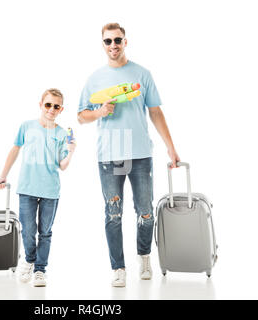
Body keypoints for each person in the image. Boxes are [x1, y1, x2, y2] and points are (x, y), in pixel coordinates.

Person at [78, 23, 180, 287]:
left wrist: (170, 146)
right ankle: (118, 268)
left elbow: (155, 112)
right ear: (102, 44)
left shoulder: (142, 74)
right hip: (110, 156)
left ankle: (144, 257)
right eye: (108, 41)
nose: (113, 45)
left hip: (140, 153)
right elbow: (81, 116)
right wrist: (99, 112)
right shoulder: (94, 79)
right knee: (113, 213)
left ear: (126, 41)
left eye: (118, 40)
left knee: (145, 211)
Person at [0, 88, 76, 287]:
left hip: (50, 190)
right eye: (48, 104)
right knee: (28, 230)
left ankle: (40, 270)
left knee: (45, 232)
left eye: (56, 106)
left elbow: (62, 165)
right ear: (41, 105)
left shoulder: (61, 133)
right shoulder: (27, 127)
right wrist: (3, 175)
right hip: (27, 188)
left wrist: (71, 151)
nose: (51, 109)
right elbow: (15, 150)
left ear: (61, 109)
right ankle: (30, 260)